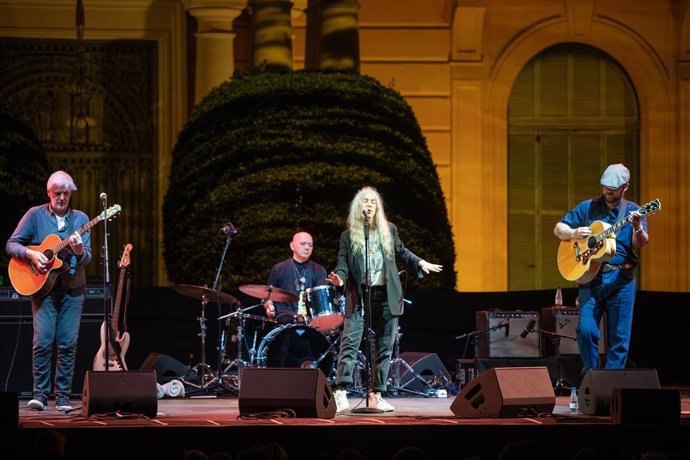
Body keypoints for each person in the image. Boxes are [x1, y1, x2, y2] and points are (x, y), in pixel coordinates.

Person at [327, 186, 443, 413]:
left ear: (377, 207)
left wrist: (420, 263)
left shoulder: (389, 230)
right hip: (359, 296)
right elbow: (342, 265)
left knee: (384, 347)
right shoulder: (348, 236)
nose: (368, 205)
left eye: (372, 202)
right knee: (349, 343)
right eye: (364, 202)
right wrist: (339, 280)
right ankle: (341, 392)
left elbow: (403, 252)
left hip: (386, 296)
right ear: (358, 207)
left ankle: (376, 394)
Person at [6, 171, 92, 412]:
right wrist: (31, 253)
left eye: (66, 193)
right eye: (57, 193)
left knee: (67, 342)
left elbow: (86, 257)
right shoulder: (34, 215)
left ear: (71, 194)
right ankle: (41, 395)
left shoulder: (82, 219)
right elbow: (11, 244)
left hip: (73, 289)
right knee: (43, 341)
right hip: (43, 289)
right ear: (49, 193)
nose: (61, 198)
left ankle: (62, 396)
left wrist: (77, 251)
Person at [554, 163, 649, 373]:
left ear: (625, 186)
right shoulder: (588, 207)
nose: (608, 191)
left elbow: (640, 242)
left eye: (614, 188)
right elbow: (558, 228)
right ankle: (591, 375)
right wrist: (573, 233)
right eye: (606, 186)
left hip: (621, 280)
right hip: (591, 280)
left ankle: (612, 385)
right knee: (585, 330)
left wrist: (637, 226)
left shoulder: (633, 210)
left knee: (619, 338)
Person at [263, 231, 328, 324]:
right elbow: (266, 295)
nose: (307, 247)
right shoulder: (279, 268)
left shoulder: (319, 270)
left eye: (310, 245)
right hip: (284, 315)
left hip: (311, 317)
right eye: (303, 244)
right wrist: (269, 307)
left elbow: (322, 300)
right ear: (292, 246)